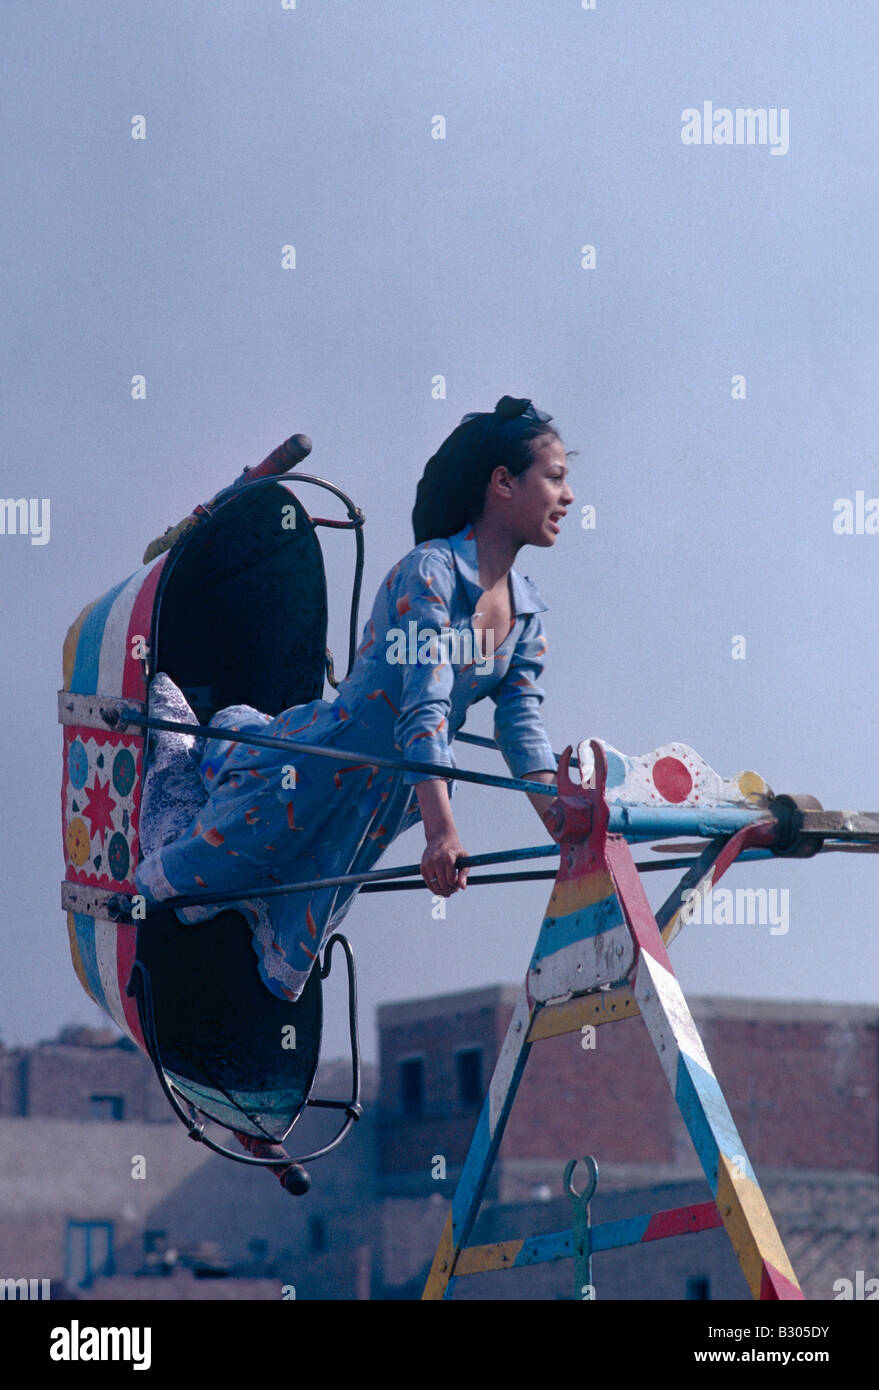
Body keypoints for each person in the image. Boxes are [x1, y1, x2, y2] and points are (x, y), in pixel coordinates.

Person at [134, 395, 576, 1005]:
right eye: (554, 478)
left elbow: (522, 730)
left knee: (294, 928)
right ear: (502, 483)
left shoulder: (526, 612)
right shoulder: (431, 574)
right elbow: (426, 702)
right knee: (202, 871)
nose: (568, 497)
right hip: (327, 761)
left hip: (385, 795)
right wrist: (443, 833)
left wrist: (566, 828)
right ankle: (183, 768)